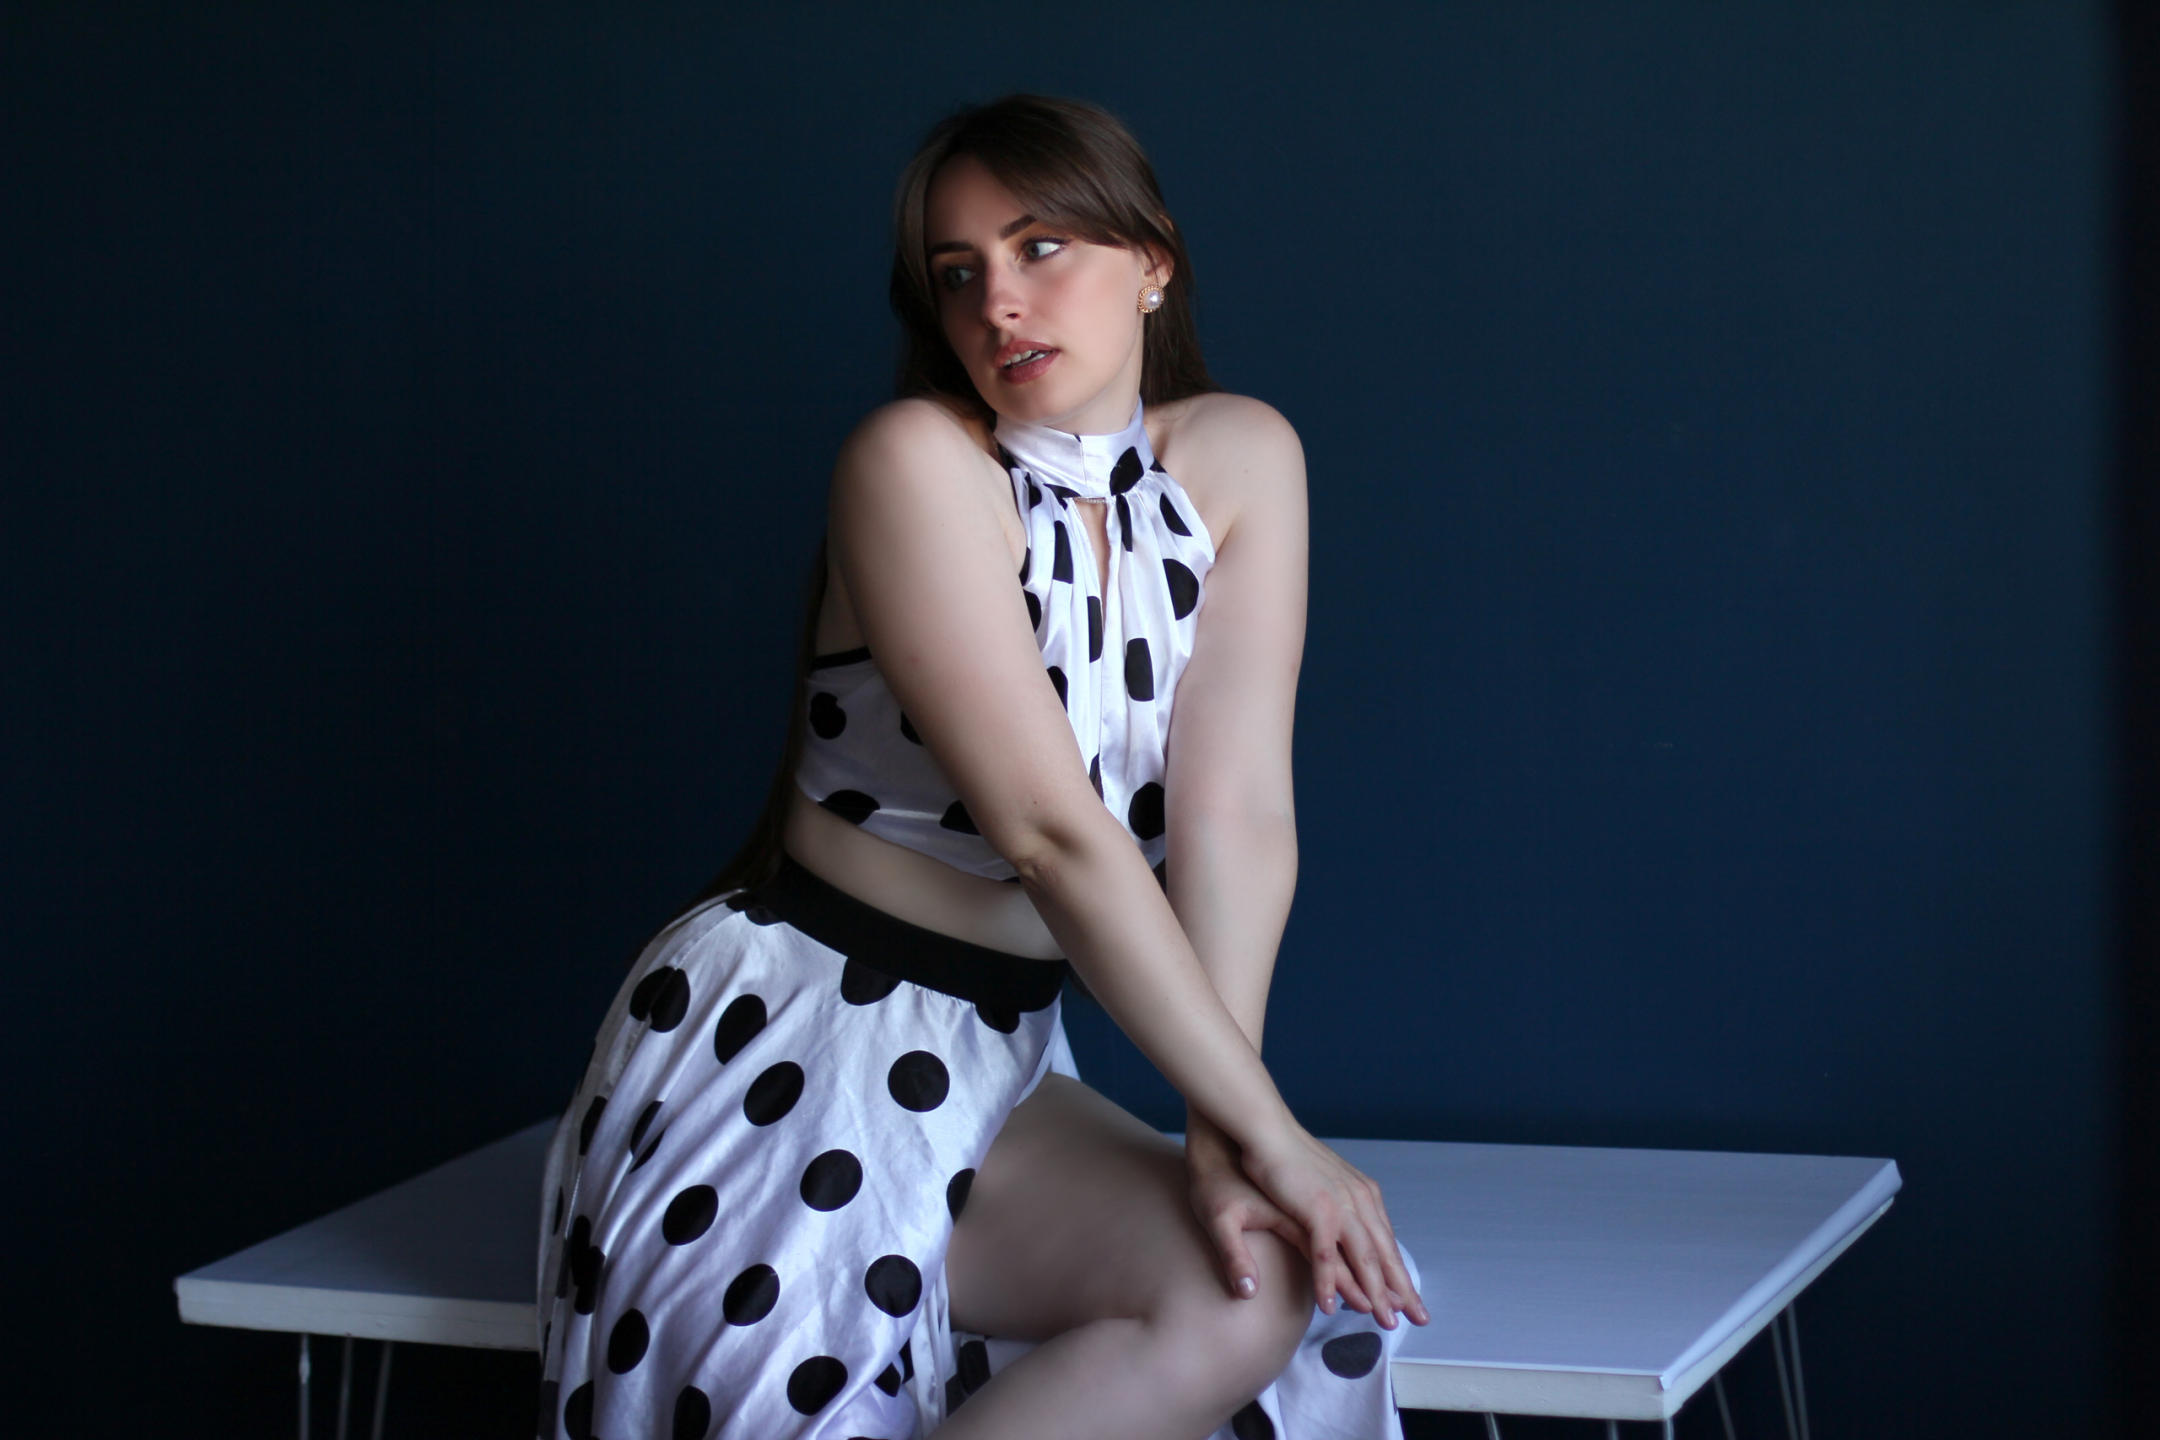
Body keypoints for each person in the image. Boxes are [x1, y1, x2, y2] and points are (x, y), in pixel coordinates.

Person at [534, 93, 1428, 1440]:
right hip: (797, 1045)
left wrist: (1224, 1128)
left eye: (1040, 247)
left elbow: (1237, 817)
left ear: (1153, 259)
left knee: (1251, 1287)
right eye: (959, 274)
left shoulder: (1244, 459)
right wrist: (1277, 1135)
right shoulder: (915, 464)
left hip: (998, 1051)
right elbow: (1050, 834)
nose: (998, 301)